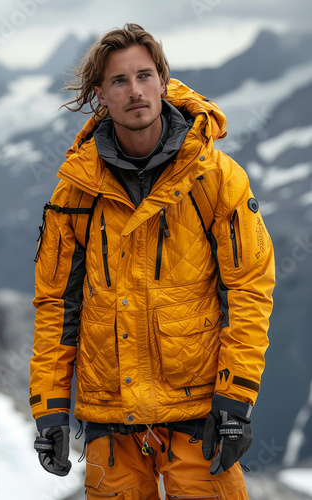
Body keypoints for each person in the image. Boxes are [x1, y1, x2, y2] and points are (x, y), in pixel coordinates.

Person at [30, 23, 275, 499]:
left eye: (144, 75)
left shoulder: (217, 178)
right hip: (110, 421)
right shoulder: (74, 193)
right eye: (119, 81)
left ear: (163, 81)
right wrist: (50, 406)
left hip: (199, 418)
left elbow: (249, 289)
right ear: (100, 94)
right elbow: (57, 303)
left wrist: (236, 398)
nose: (135, 91)